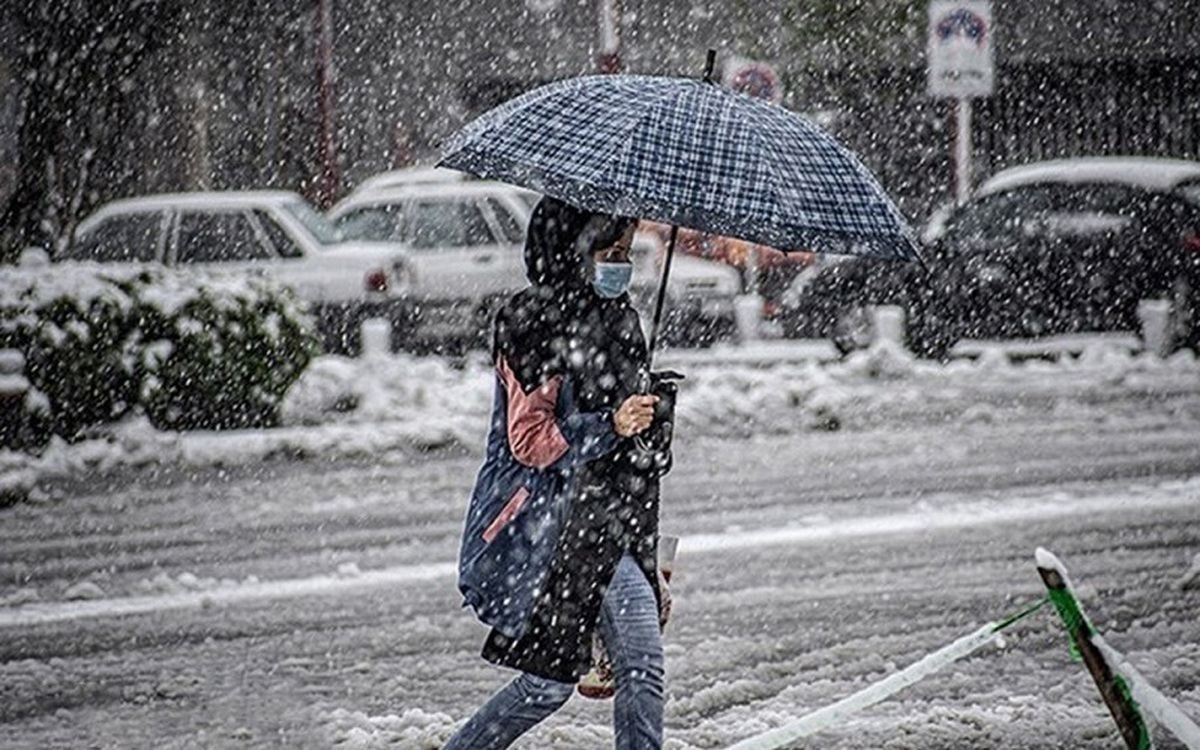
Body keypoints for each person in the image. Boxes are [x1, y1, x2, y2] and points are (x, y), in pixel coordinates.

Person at [447, 196, 678, 750]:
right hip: (555, 527)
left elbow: (634, 435)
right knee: (549, 686)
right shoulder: (530, 323)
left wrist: (653, 415)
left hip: (615, 516)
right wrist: (609, 424)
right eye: (609, 250)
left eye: (626, 250)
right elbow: (529, 441)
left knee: (638, 666)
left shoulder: (621, 318)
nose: (619, 263)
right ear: (571, 250)